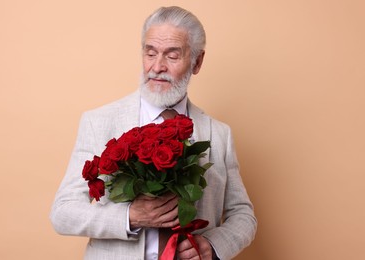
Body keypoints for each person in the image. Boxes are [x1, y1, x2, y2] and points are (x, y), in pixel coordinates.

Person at [50, 6, 257, 260]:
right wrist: (130, 217)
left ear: (197, 61)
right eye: (150, 53)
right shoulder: (99, 122)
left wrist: (212, 246)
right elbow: (63, 212)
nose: (157, 67)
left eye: (172, 56)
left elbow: (243, 215)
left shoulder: (219, 134)